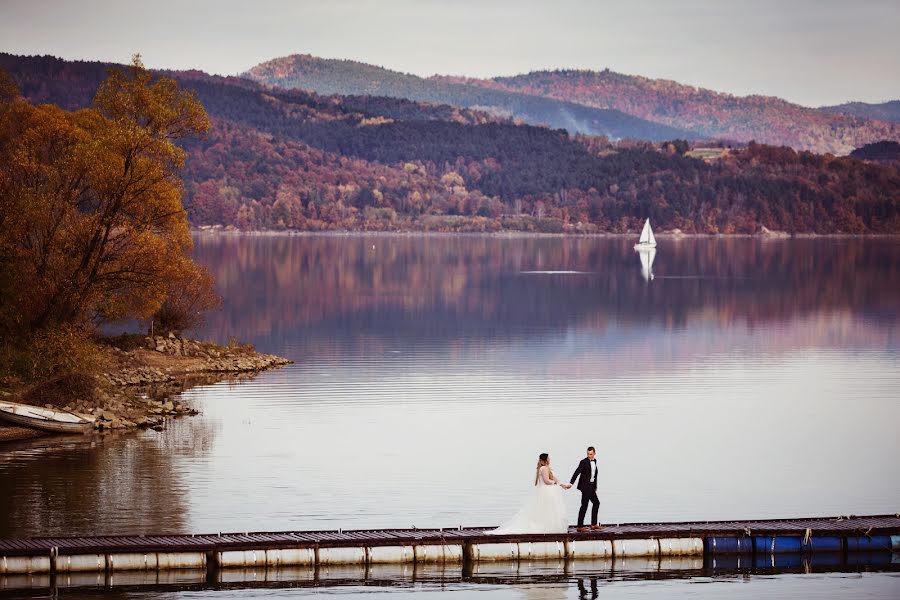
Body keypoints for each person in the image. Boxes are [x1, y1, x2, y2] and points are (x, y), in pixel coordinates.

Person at [491, 453, 572, 534]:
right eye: (548, 458)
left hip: (548, 491)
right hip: (547, 492)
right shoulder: (544, 468)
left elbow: (555, 479)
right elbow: (546, 481)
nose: (550, 459)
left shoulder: (546, 468)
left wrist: (563, 485)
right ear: (546, 459)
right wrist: (555, 483)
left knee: (547, 510)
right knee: (548, 510)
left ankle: (548, 525)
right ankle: (546, 526)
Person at [570, 446, 601, 532]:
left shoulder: (595, 461)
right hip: (585, 487)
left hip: (591, 487)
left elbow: (594, 475)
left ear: (594, 453)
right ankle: (580, 526)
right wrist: (571, 483)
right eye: (588, 454)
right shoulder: (583, 462)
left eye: (591, 454)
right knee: (584, 505)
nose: (589, 456)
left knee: (596, 503)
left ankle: (594, 524)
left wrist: (595, 487)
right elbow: (577, 472)